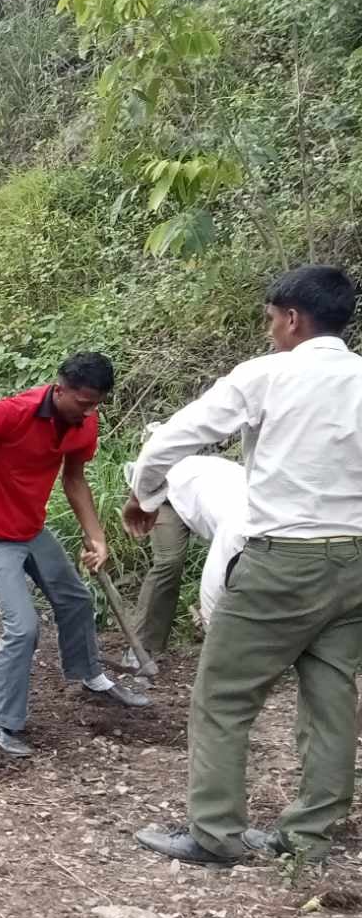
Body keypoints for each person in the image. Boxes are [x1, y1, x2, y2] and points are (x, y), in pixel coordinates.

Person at [125, 266, 362, 869]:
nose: (271, 331)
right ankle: (308, 835)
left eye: (271, 320)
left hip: (283, 560)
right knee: (331, 697)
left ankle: (215, 834)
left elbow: (169, 441)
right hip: (355, 561)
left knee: (223, 697)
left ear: (291, 318)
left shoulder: (266, 376)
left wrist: (144, 495)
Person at [0, 352, 150, 759]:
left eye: (96, 403)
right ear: (59, 389)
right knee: (23, 628)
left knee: (76, 600)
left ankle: (90, 675)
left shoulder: (84, 421)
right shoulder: (12, 413)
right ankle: (0, 723)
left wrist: (96, 536)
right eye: (82, 402)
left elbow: (74, 479)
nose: (89, 412)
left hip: (32, 528)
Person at [123, 452, 249, 664]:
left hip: (199, 491)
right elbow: (213, 584)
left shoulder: (277, 521)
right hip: (166, 491)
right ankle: (141, 650)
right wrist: (211, 632)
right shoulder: (239, 528)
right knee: (169, 561)